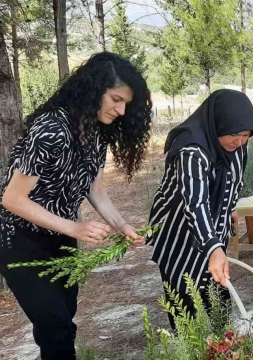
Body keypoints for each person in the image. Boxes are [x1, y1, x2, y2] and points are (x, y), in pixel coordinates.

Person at [0, 52, 152, 359]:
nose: (121, 110)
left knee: (64, 322)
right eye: (115, 99)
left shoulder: (96, 132)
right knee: (54, 326)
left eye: (126, 104)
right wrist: (76, 227)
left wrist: (121, 226)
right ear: (94, 88)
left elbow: (96, 190)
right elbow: (11, 199)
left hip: (62, 238)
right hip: (19, 238)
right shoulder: (51, 128)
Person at [147, 90, 253, 330]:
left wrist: (230, 205)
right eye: (234, 134)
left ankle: (222, 344)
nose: (239, 141)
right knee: (184, 300)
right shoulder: (192, 150)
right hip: (178, 230)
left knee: (218, 294)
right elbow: (194, 204)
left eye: (246, 135)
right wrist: (214, 248)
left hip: (213, 225)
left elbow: (234, 178)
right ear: (217, 123)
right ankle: (187, 347)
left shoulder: (238, 145)